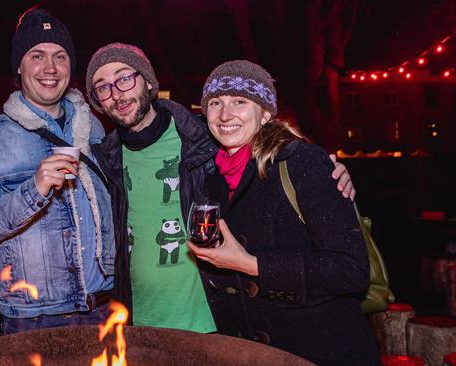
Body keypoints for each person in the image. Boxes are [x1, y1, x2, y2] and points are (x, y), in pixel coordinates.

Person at [86, 43, 355, 332]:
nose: (116, 93)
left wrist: (329, 173)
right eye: (103, 88)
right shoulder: (103, 160)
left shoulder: (205, 141)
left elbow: (265, 158)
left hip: (216, 324)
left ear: (149, 82)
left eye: (125, 78)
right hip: (137, 326)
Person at [188, 60, 380, 365]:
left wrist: (253, 265)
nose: (225, 115)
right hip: (254, 354)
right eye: (215, 103)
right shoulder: (215, 177)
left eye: (240, 101)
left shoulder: (302, 162)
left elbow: (352, 271)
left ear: (265, 113)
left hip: (322, 351)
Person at [0, 9, 115, 334]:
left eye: (60, 56)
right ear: (19, 65)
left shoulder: (94, 130)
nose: (50, 68)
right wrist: (34, 189)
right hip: (34, 320)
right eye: (37, 55)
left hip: (105, 312)